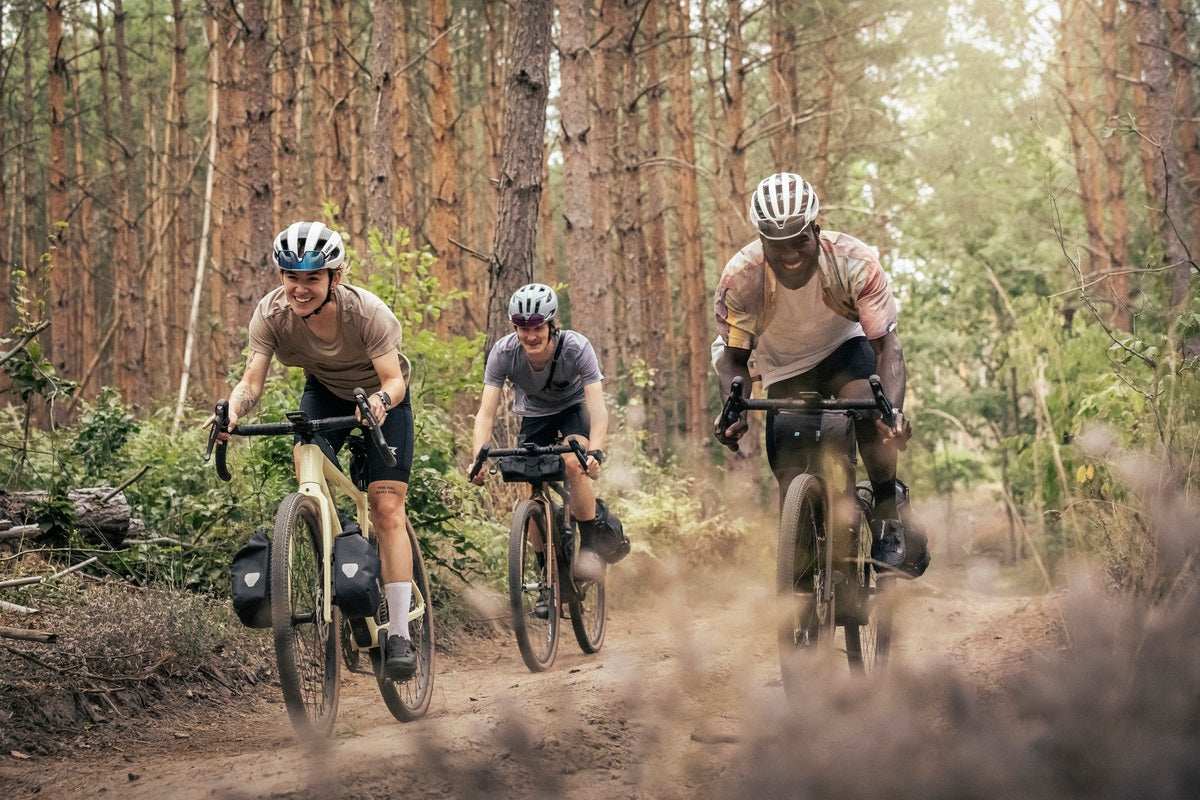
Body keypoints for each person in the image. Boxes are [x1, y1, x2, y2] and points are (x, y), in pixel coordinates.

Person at [207, 220, 421, 679]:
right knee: (305, 455)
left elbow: (394, 381)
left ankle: (400, 633)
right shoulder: (270, 314)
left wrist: (380, 403)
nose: (299, 289)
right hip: (324, 390)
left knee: (386, 509)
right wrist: (234, 412)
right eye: (291, 277)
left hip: (382, 400)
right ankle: (329, 530)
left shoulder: (367, 313)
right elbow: (251, 383)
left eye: (311, 278)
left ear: (334, 278)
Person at [712, 173, 929, 577]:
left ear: (816, 227)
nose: (790, 254)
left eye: (800, 240)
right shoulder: (740, 278)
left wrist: (890, 413)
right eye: (777, 245)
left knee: (866, 406)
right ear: (761, 241)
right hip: (781, 365)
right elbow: (733, 359)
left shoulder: (855, 261)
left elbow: (888, 349)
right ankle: (802, 555)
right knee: (789, 459)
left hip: (844, 348)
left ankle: (887, 512)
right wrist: (734, 409)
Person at [468, 283, 619, 587]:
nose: (531, 335)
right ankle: (546, 573)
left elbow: (598, 411)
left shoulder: (576, 348)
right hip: (536, 414)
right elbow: (485, 413)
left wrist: (595, 452)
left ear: (551, 324)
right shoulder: (504, 353)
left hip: (574, 407)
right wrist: (478, 459)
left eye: (537, 327)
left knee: (573, 463)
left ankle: (589, 546)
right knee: (529, 484)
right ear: (515, 327)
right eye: (523, 329)